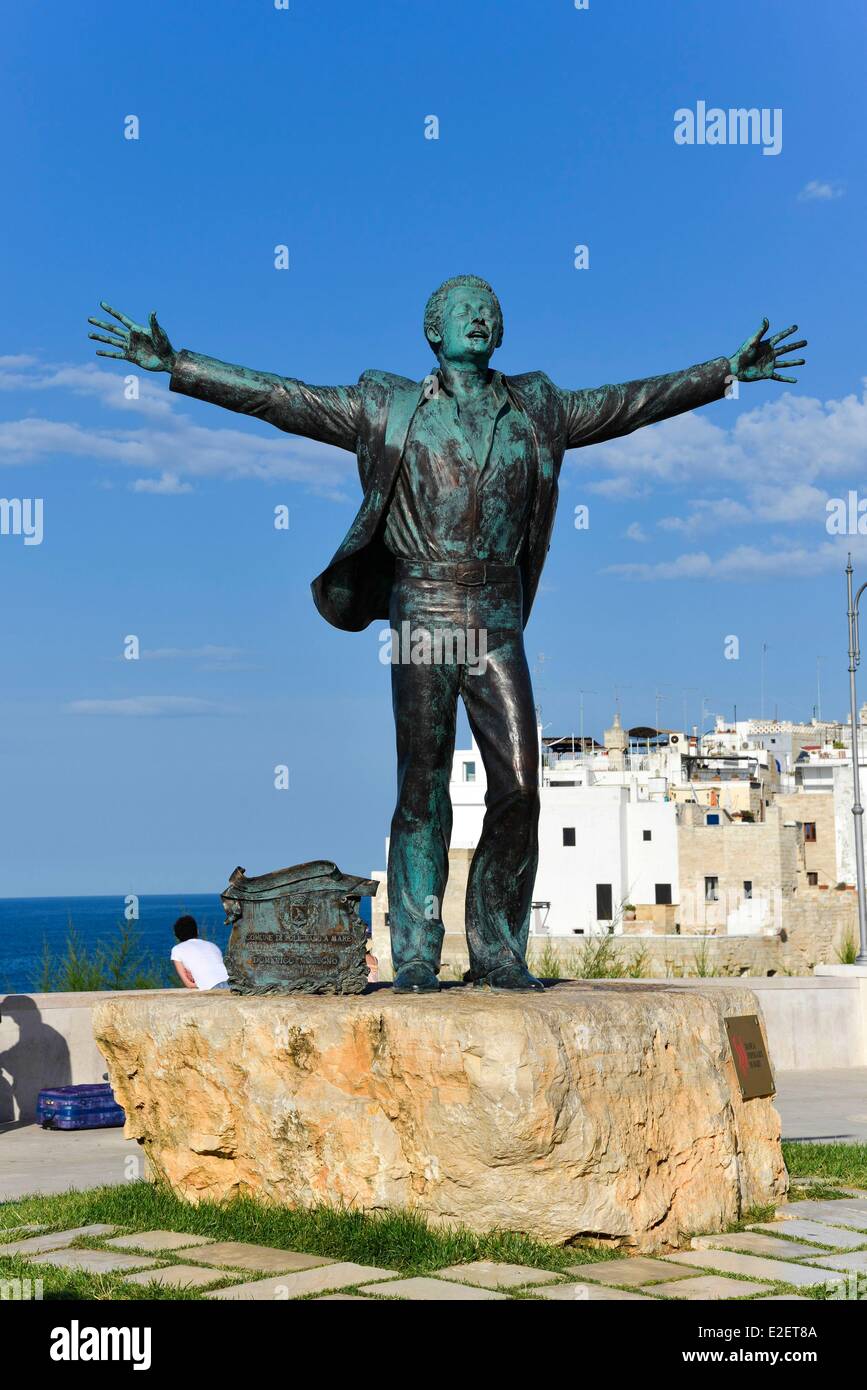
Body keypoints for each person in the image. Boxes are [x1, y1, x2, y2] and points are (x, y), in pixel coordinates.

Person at [90, 281, 805, 995]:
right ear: (432, 330)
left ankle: (496, 948)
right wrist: (179, 364)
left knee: (521, 783)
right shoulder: (388, 405)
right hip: (423, 607)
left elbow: (629, 405)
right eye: (462, 307)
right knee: (422, 783)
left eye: (489, 306)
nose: (479, 315)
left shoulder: (537, 407)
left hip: (495, 614)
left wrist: (724, 372)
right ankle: (416, 951)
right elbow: (288, 401)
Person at [170, 915, 230, 990]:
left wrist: (200, 981)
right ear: (197, 931)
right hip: (232, 983)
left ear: (177, 935)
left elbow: (189, 984)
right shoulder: (212, 945)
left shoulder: (177, 949)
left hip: (212, 987)